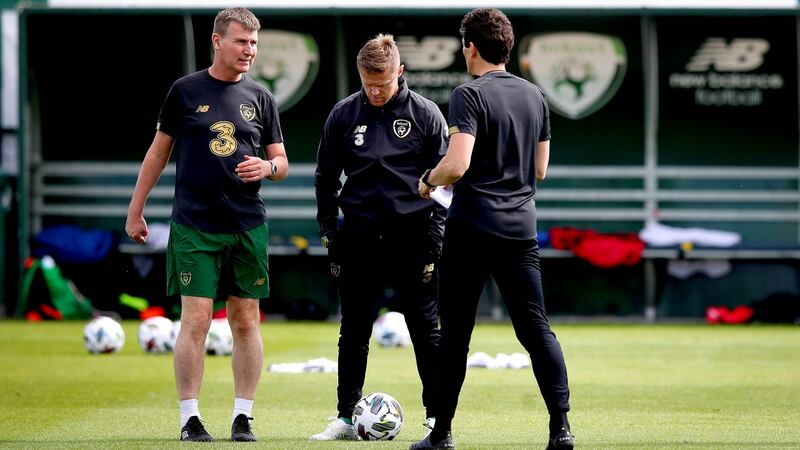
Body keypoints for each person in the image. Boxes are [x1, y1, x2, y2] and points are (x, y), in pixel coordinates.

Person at [410, 8, 574, 450]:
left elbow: (457, 164)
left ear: (471, 47)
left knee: (456, 334)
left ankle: (440, 434)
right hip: (520, 229)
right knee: (536, 330)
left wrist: (428, 180)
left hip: (472, 228)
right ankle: (561, 429)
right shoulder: (536, 96)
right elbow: (540, 170)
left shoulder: (468, 93)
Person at [125, 7, 288, 443]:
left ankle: (243, 417)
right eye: (241, 41)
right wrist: (135, 210)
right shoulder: (184, 91)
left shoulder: (261, 97)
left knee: (246, 320)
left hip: (247, 225)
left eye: (254, 43)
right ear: (217, 41)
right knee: (195, 320)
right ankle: (189, 418)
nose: (249, 50)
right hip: (195, 225)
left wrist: (268, 168)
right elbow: (158, 153)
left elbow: (282, 161)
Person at [311, 34, 447, 441]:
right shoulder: (343, 114)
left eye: (382, 84)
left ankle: (438, 417)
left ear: (399, 73)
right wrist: (329, 230)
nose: (374, 91)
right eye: (368, 83)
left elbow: (446, 182)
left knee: (426, 329)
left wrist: (435, 241)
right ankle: (345, 417)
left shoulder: (425, 115)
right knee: (353, 329)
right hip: (359, 237)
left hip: (413, 237)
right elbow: (324, 176)